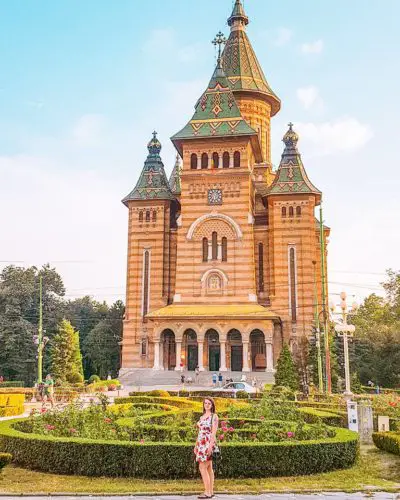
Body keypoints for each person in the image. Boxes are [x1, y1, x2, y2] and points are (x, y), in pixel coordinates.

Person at [194, 398, 219, 499]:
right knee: (209, 468)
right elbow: (200, 432)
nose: (207, 405)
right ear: (203, 404)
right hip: (201, 443)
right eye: (205, 403)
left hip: (207, 444)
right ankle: (211, 491)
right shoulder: (202, 417)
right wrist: (196, 445)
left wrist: (210, 447)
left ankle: (207, 492)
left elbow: (213, 433)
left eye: (209, 403)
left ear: (212, 405)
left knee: (202, 467)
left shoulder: (214, 416)